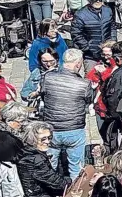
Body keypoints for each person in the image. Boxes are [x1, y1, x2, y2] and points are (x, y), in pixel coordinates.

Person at [37, 46, 94, 179]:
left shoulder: (48, 77)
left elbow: (43, 95)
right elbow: (88, 101)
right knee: (76, 168)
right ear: (78, 64)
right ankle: (76, 194)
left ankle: (52, 194)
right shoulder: (84, 84)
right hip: (74, 130)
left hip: (52, 129)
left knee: (50, 166)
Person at [14, 120, 66, 197]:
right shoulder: (35, 159)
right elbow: (57, 183)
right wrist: (70, 182)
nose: (48, 141)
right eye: (43, 139)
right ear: (31, 139)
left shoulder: (24, 152)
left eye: (49, 138)